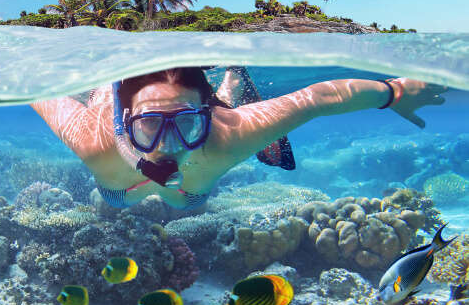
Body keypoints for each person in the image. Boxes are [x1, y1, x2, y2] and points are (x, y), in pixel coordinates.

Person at [31, 67, 447, 210]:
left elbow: (318, 98)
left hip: (194, 185)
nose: (168, 144)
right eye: (150, 124)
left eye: (188, 124)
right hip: (120, 185)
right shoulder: (94, 140)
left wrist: (394, 92)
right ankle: (230, 86)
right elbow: (35, 89)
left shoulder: (226, 135)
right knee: (119, 196)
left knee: (183, 199)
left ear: (205, 116)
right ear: (124, 121)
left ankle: (229, 87)